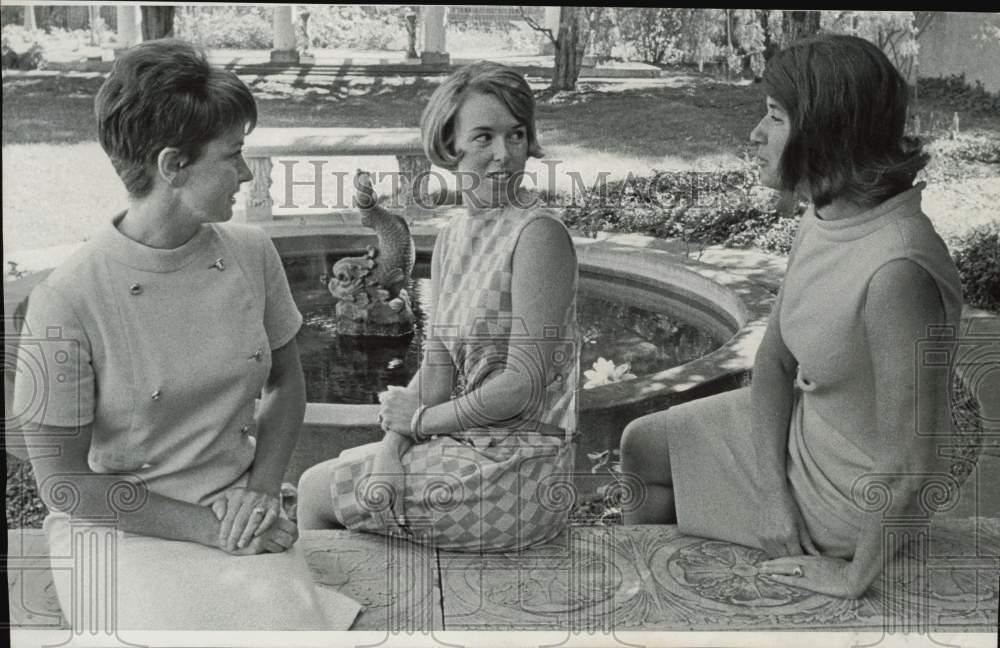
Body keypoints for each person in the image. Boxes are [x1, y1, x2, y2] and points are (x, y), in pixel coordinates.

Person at [12, 39, 346, 630]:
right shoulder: (65, 299)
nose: (245, 173)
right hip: (120, 527)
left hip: (241, 508)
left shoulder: (253, 253)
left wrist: (262, 491)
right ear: (173, 166)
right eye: (232, 155)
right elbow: (63, 483)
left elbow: (286, 381)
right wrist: (208, 528)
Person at [619, 34, 963, 599]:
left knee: (656, 463)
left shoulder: (896, 271)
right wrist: (770, 494)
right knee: (643, 444)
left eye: (775, 117)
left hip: (850, 496)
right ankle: (660, 598)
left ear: (825, 132)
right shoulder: (824, 214)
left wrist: (855, 579)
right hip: (808, 437)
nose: (755, 134)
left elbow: (911, 460)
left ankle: (676, 603)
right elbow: (775, 360)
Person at [297, 61, 580, 552]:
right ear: (450, 146)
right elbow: (438, 367)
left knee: (315, 492)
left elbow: (521, 385)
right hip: (471, 449)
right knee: (350, 480)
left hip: (522, 474)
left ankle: (325, 623)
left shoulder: (539, 236)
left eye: (516, 135)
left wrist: (422, 424)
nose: (504, 155)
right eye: (483, 138)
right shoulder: (452, 239)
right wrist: (392, 447)